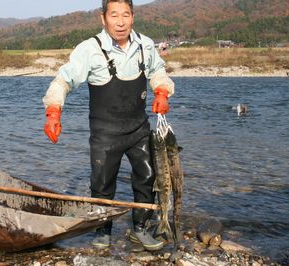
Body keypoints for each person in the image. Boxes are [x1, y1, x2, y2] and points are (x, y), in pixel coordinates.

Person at [42, 0, 174, 251]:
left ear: (133, 16)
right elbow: (63, 81)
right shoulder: (89, 49)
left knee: (148, 177)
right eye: (114, 15)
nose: (121, 21)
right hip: (105, 133)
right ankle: (102, 231)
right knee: (102, 184)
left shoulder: (145, 45)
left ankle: (141, 229)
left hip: (139, 129)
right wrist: (53, 111)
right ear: (103, 18)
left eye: (126, 15)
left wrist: (162, 91)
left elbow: (158, 70)